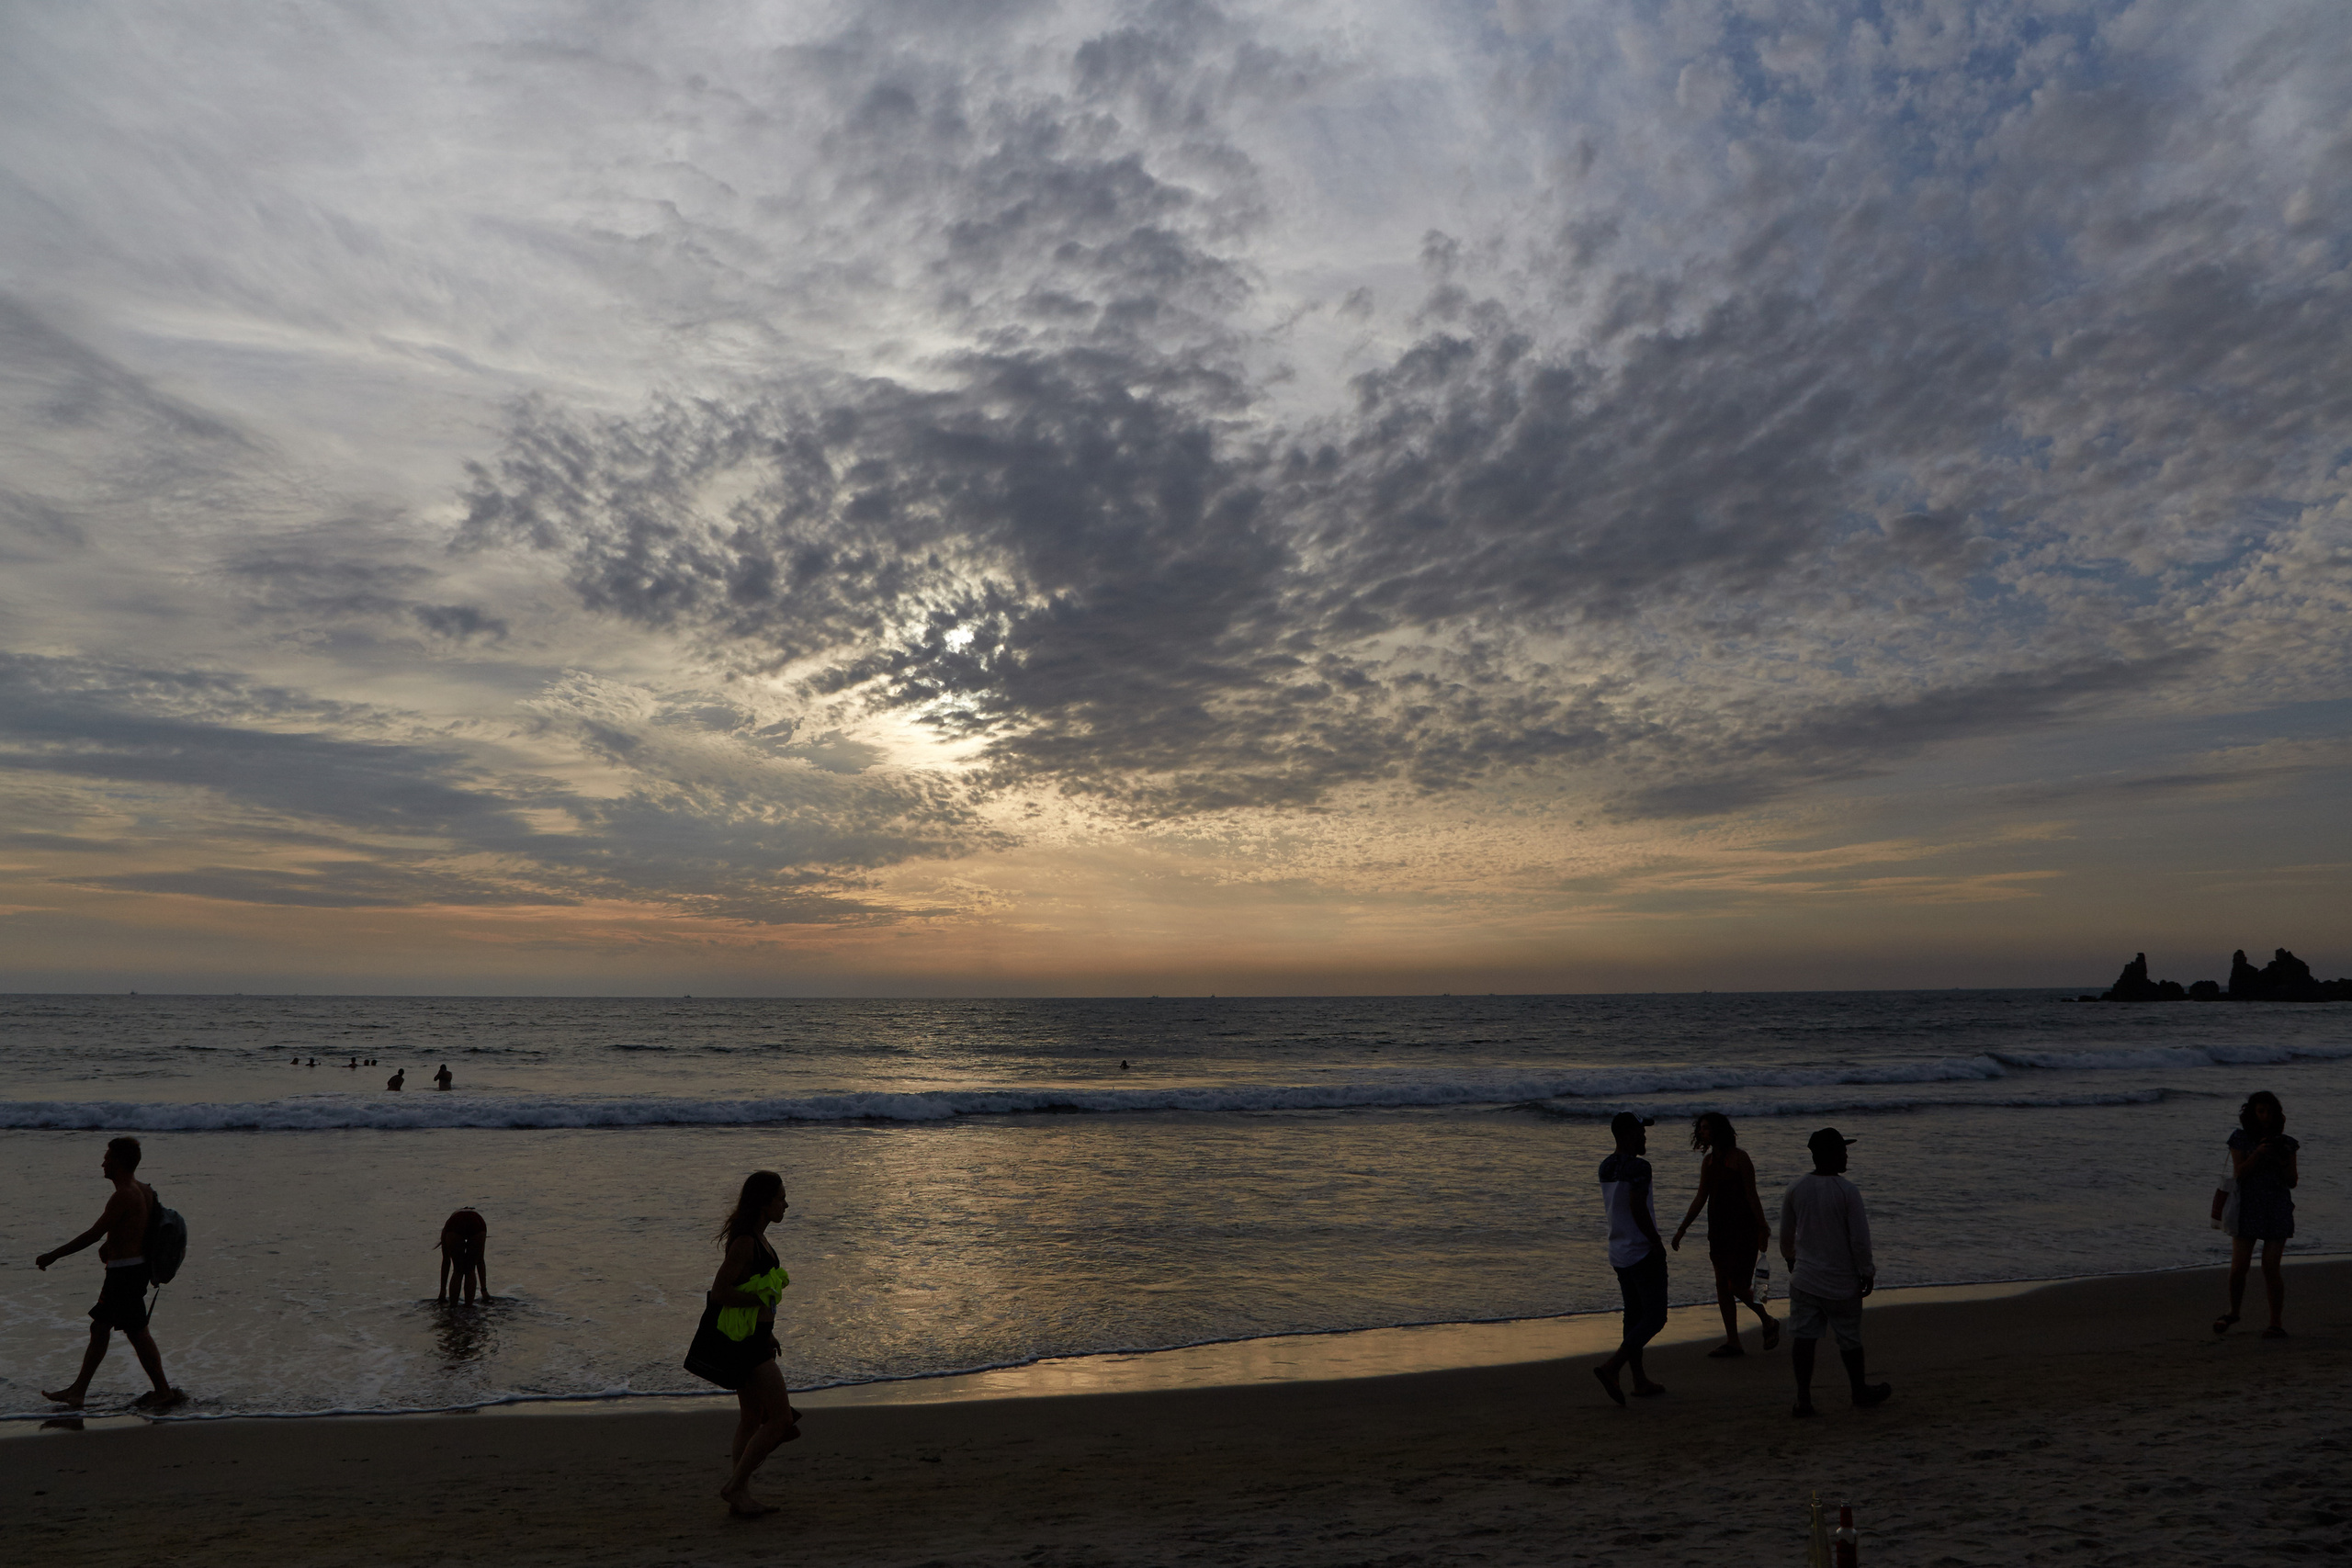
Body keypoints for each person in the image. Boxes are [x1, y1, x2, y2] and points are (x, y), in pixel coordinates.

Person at [33, 1136, 183, 1410]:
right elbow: (138, 1228)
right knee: (104, 1328)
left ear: (119, 1162)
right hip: (132, 1270)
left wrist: (53, 1256)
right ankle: (79, 1390)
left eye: (108, 1158)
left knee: (135, 1332)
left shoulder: (123, 1195)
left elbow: (92, 1234)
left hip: (124, 1274)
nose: (103, 1163)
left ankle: (162, 1391)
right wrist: (111, 1243)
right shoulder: (144, 1190)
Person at [701, 1170, 801, 1517]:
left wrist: (768, 1329)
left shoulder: (759, 1237)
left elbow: (755, 1292)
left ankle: (740, 1495)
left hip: (755, 1339)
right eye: (780, 1197)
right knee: (781, 1421)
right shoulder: (746, 1241)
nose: (786, 1203)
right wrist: (759, 1306)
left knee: (751, 1418)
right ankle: (734, 1487)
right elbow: (720, 1293)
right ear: (764, 1203)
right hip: (747, 1345)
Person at [1779, 1126, 1890, 1416]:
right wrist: (1866, 1271)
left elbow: (1786, 1235)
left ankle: (1803, 1399)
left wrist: (1792, 1260)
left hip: (1805, 1278)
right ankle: (1859, 1391)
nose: (1846, 1155)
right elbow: (1859, 1239)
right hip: (1840, 1281)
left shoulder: (1796, 1188)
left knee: (1804, 1338)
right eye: (1842, 1150)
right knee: (1850, 1339)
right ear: (1828, 1155)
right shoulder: (1847, 1191)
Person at [1670, 1111, 1780, 1356]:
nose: (1702, 1132)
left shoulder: (1741, 1159)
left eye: (1706, 1128)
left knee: (1736, 1285)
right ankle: (1733, 1341)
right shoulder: (1708, 1162)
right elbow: (1701, 1197)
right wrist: (1682, 1228)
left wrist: (1763, 1227)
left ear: (1719, 1130)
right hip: (1718, 1230)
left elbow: (1752, 1195)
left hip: (1743, 1230)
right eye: (1700, 1128)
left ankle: (1768, 1320)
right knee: (1722, 1286)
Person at [1591, 1111, 1668, 1404]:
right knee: (1655, 1317)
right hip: (1641, 1250)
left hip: (1619, 1251)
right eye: (1639, 1131)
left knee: (1633, 1315)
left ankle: (1639, 1380)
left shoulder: (1605, 1166)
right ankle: (1613, 1366)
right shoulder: (1640, 1167)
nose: (1644, 1135)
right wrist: (1656, 1242)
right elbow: (1638, 1208)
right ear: (1625, 1135)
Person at [2216, 1091, 2299, 1338]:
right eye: (2261, 1111)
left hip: (2277, 1205)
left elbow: (2292, 1181)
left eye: (2269, 1112)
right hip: (2248, 1206)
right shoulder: (2240, 1139)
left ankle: (2275, 1322)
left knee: (2270, 1267)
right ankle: (2233, 1311)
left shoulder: (2287, 1144)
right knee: (2240, 1266)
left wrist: (2280, 1159)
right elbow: (2239, 1172)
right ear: (2252, 1113)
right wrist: (2258, 1153)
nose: (2265, 1117)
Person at [436, 1208, 490, 1303]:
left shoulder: (451, 1222)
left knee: (458, 1270)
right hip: (477, 1223)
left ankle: (453, 1307)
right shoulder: (476, 1217)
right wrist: (484, 1289)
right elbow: (480, 1261)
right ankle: (469, 1308)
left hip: (455, 1225)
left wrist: (442, 1291)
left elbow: (446, 1261)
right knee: (470, 1269)